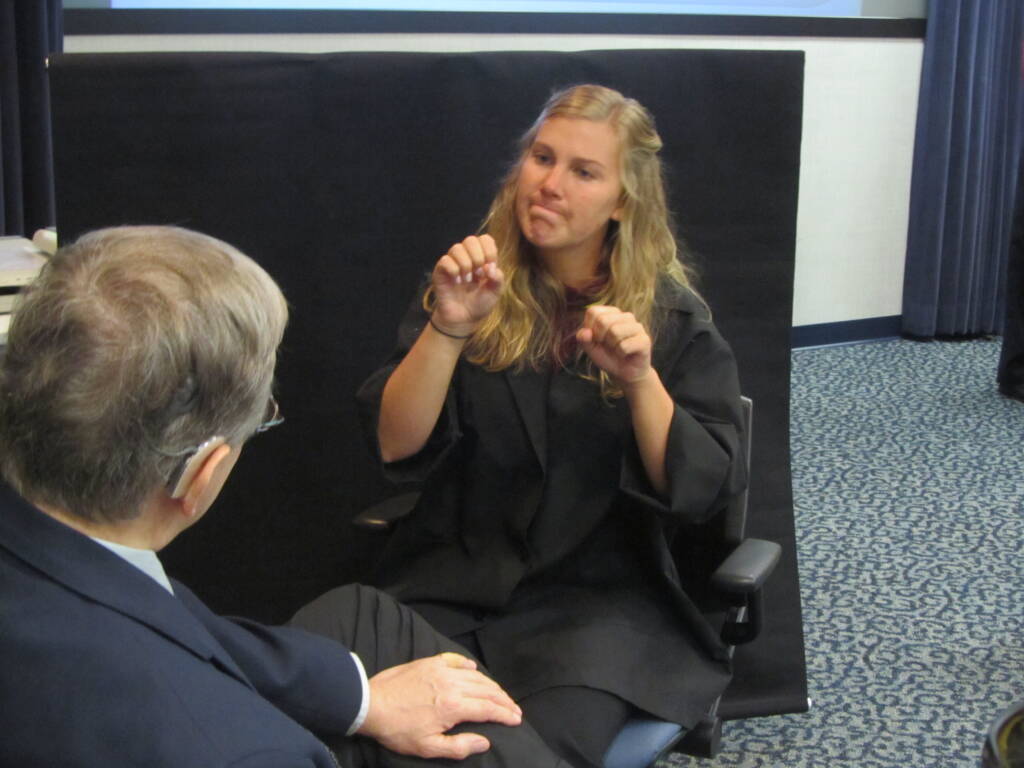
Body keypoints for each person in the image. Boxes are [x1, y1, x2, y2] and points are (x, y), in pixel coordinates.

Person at [0, 225, 567, 768]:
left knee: (361, 615)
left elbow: (180, 621)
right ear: (200, 474)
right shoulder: (245, 752)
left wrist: (362, 701)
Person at [354, 84, 748, 767]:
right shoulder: (472, 288)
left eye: (584, 171)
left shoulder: (673, 322)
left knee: (523, 751)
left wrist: (638, 380)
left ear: (623, 201)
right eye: (542, 157)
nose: (550, 184)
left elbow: (700, 489)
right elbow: (397, 441)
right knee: (371, 732)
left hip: (596, 612)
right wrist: (447, 329)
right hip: (453, 583)